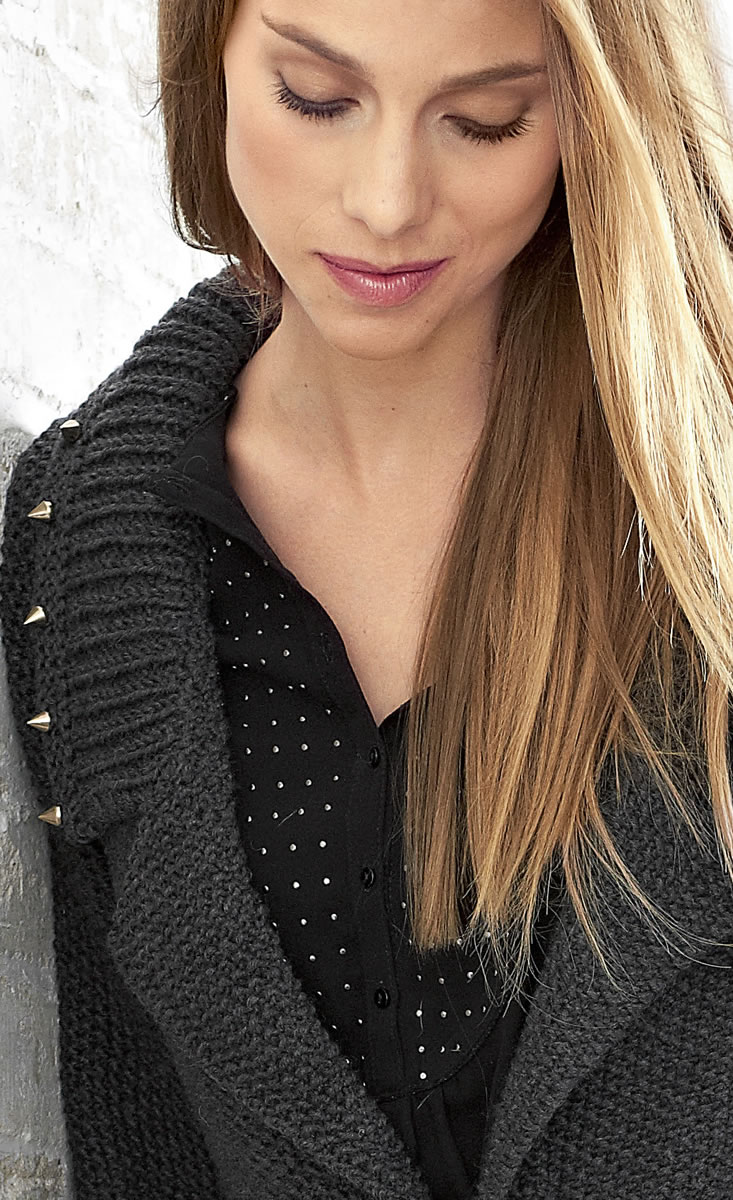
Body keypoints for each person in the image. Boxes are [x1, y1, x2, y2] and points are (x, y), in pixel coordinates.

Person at [2, 0, 733, 1196]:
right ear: (209, 57)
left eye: (484, 120)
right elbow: (133, 1125)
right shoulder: (76, 541)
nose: (387, 202)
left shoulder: (698, 510)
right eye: (317, 99)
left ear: (593, 114)